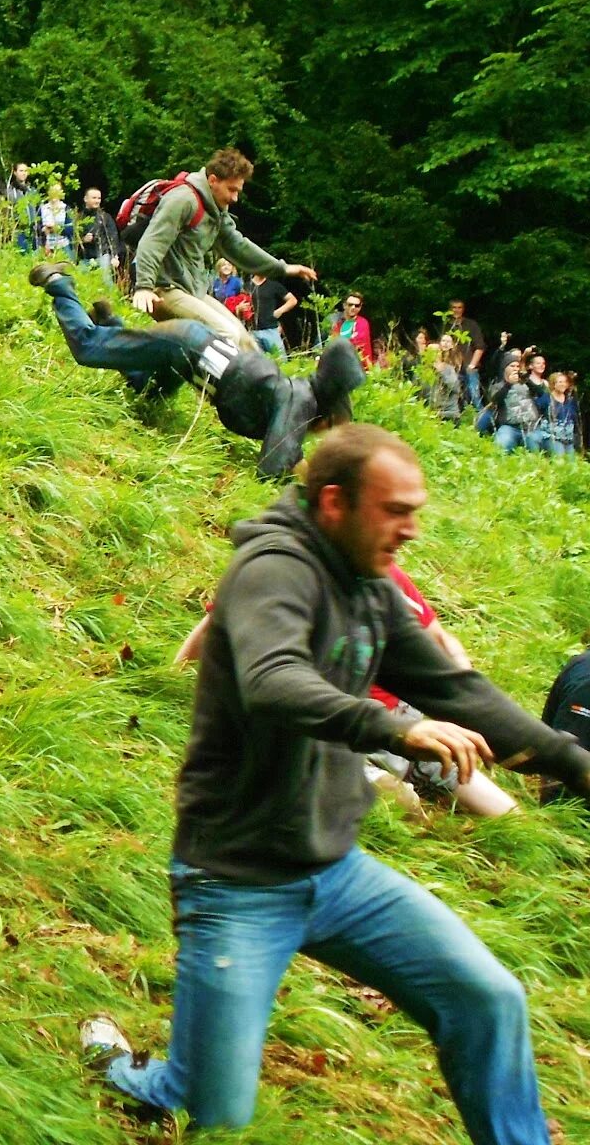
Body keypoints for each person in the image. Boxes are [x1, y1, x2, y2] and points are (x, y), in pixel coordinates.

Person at [82, 423, 590, 1140]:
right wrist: (393, 729)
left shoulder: (368, 587)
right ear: (332, 503)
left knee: (488, 998)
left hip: (336, 873)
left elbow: (458, 689)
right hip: (235, 883)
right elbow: (273, 680)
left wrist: (574, 763)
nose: (410, 529)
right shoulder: (272, 571)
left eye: (416, 511)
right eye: (396, 510)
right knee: (220, 1119)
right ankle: (123, 1069)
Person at [175, 564, 518, 817]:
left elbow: (213, 631)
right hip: (364, 724)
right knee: (424, 786)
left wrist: (175, 673)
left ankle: (383, 783)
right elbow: (442, 642)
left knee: (505, 815)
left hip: (372, 722)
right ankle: (484, 815)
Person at [30, 262, 362, 479]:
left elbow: (289, 450)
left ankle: (111, 324)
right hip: (185, 346)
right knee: (89, 348)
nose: (323, 435)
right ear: (327, 413)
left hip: (192, 352)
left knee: (150, 394)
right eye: (331, 428)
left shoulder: (295, 394)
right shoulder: (298, 404)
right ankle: (60, 283)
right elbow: (274, 464)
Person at [131, 148, 317, 354]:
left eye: (238, 190)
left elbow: (238, 246)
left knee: (246, 343)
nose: (235, 198)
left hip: (192, 290)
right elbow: (152, 241)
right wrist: (144, 287)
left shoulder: (216, 210)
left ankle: (260, 386)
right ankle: (218, 386)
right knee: (226, 337)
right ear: (212, 180)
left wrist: (283, 269)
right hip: (163, 290)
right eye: (231, 190)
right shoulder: (183, 199)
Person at [487, 354, 548, 454]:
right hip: (510, 427)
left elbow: (541, 393)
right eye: (512, 366)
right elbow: (495, 400)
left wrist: (527, 380)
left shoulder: (526, 383)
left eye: (517, 366)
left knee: (535, 449)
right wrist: (508, 384)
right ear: (505, 368)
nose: (515, 369)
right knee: (500, 447)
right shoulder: (498, 386)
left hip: (531, 427)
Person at [76, 187, 121, 279]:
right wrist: (83, 240)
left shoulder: (105, 217)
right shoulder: (78, 218)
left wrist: (115, 256)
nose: (97, 201)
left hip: (103, 255)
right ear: (85, 199)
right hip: (84, 258)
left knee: (106, 281)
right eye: (94, 198)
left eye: (99, 198)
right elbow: (72, 239)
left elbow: (113, 237)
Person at [248, 271, 296, 359]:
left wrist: (279, 311)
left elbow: (292, 300)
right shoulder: (246, 286)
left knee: (280, 361)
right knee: (258, 364)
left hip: (271, 329)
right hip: (251, 331)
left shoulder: (273, 285)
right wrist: (239, 308)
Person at [450, 298, 488, 409]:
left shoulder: (471, 325)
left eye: (459, 307)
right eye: (454, 307)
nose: (457, 310)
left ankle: (482, 421)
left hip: (468, 366)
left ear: (463, 309)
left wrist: (472, 365)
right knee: (456, 397)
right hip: (452, 368)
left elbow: (480, 346)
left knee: (474, 396)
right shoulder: (446, 326)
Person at [421, 330, 462, 423]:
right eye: (431, 352)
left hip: (448, 414)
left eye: (437, 352)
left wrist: (441, 372)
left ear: (440, 353)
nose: (434, 355)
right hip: (430, 414)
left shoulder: (448, 369)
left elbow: (456, 388)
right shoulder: (422, 371)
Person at [326, 291, 373, 367]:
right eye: (350, 305)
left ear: (360, 307)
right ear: (344, 305)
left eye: (357, 305)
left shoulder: (362, 323)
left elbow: (357, 343)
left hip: (358, 366)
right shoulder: (334, 321)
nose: (353, 307)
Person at [542, 372, 580, 458]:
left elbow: (575, 418)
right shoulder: (546, 398)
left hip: (568, 439)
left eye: (565, 382)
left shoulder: (570, 400)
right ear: (553, 384)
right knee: (559, 460)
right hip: (552, 437)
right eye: (560, 382)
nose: (563, 384)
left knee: (572, 465)